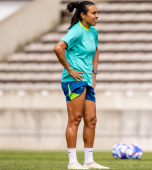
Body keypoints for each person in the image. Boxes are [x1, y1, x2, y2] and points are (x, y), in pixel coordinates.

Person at [53, 1, 109, 169]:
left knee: (91, 120)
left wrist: (94, 73)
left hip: (86, 80)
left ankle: (89, 161)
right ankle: (72, 163)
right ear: (83, 15)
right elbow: (58, 48)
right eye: (93, 13)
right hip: (74, 81)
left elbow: (96, 50)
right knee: (75, 119)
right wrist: (69, 70)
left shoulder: (92, 31)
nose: (97, 16)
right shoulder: (76, 31)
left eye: (97, 12)